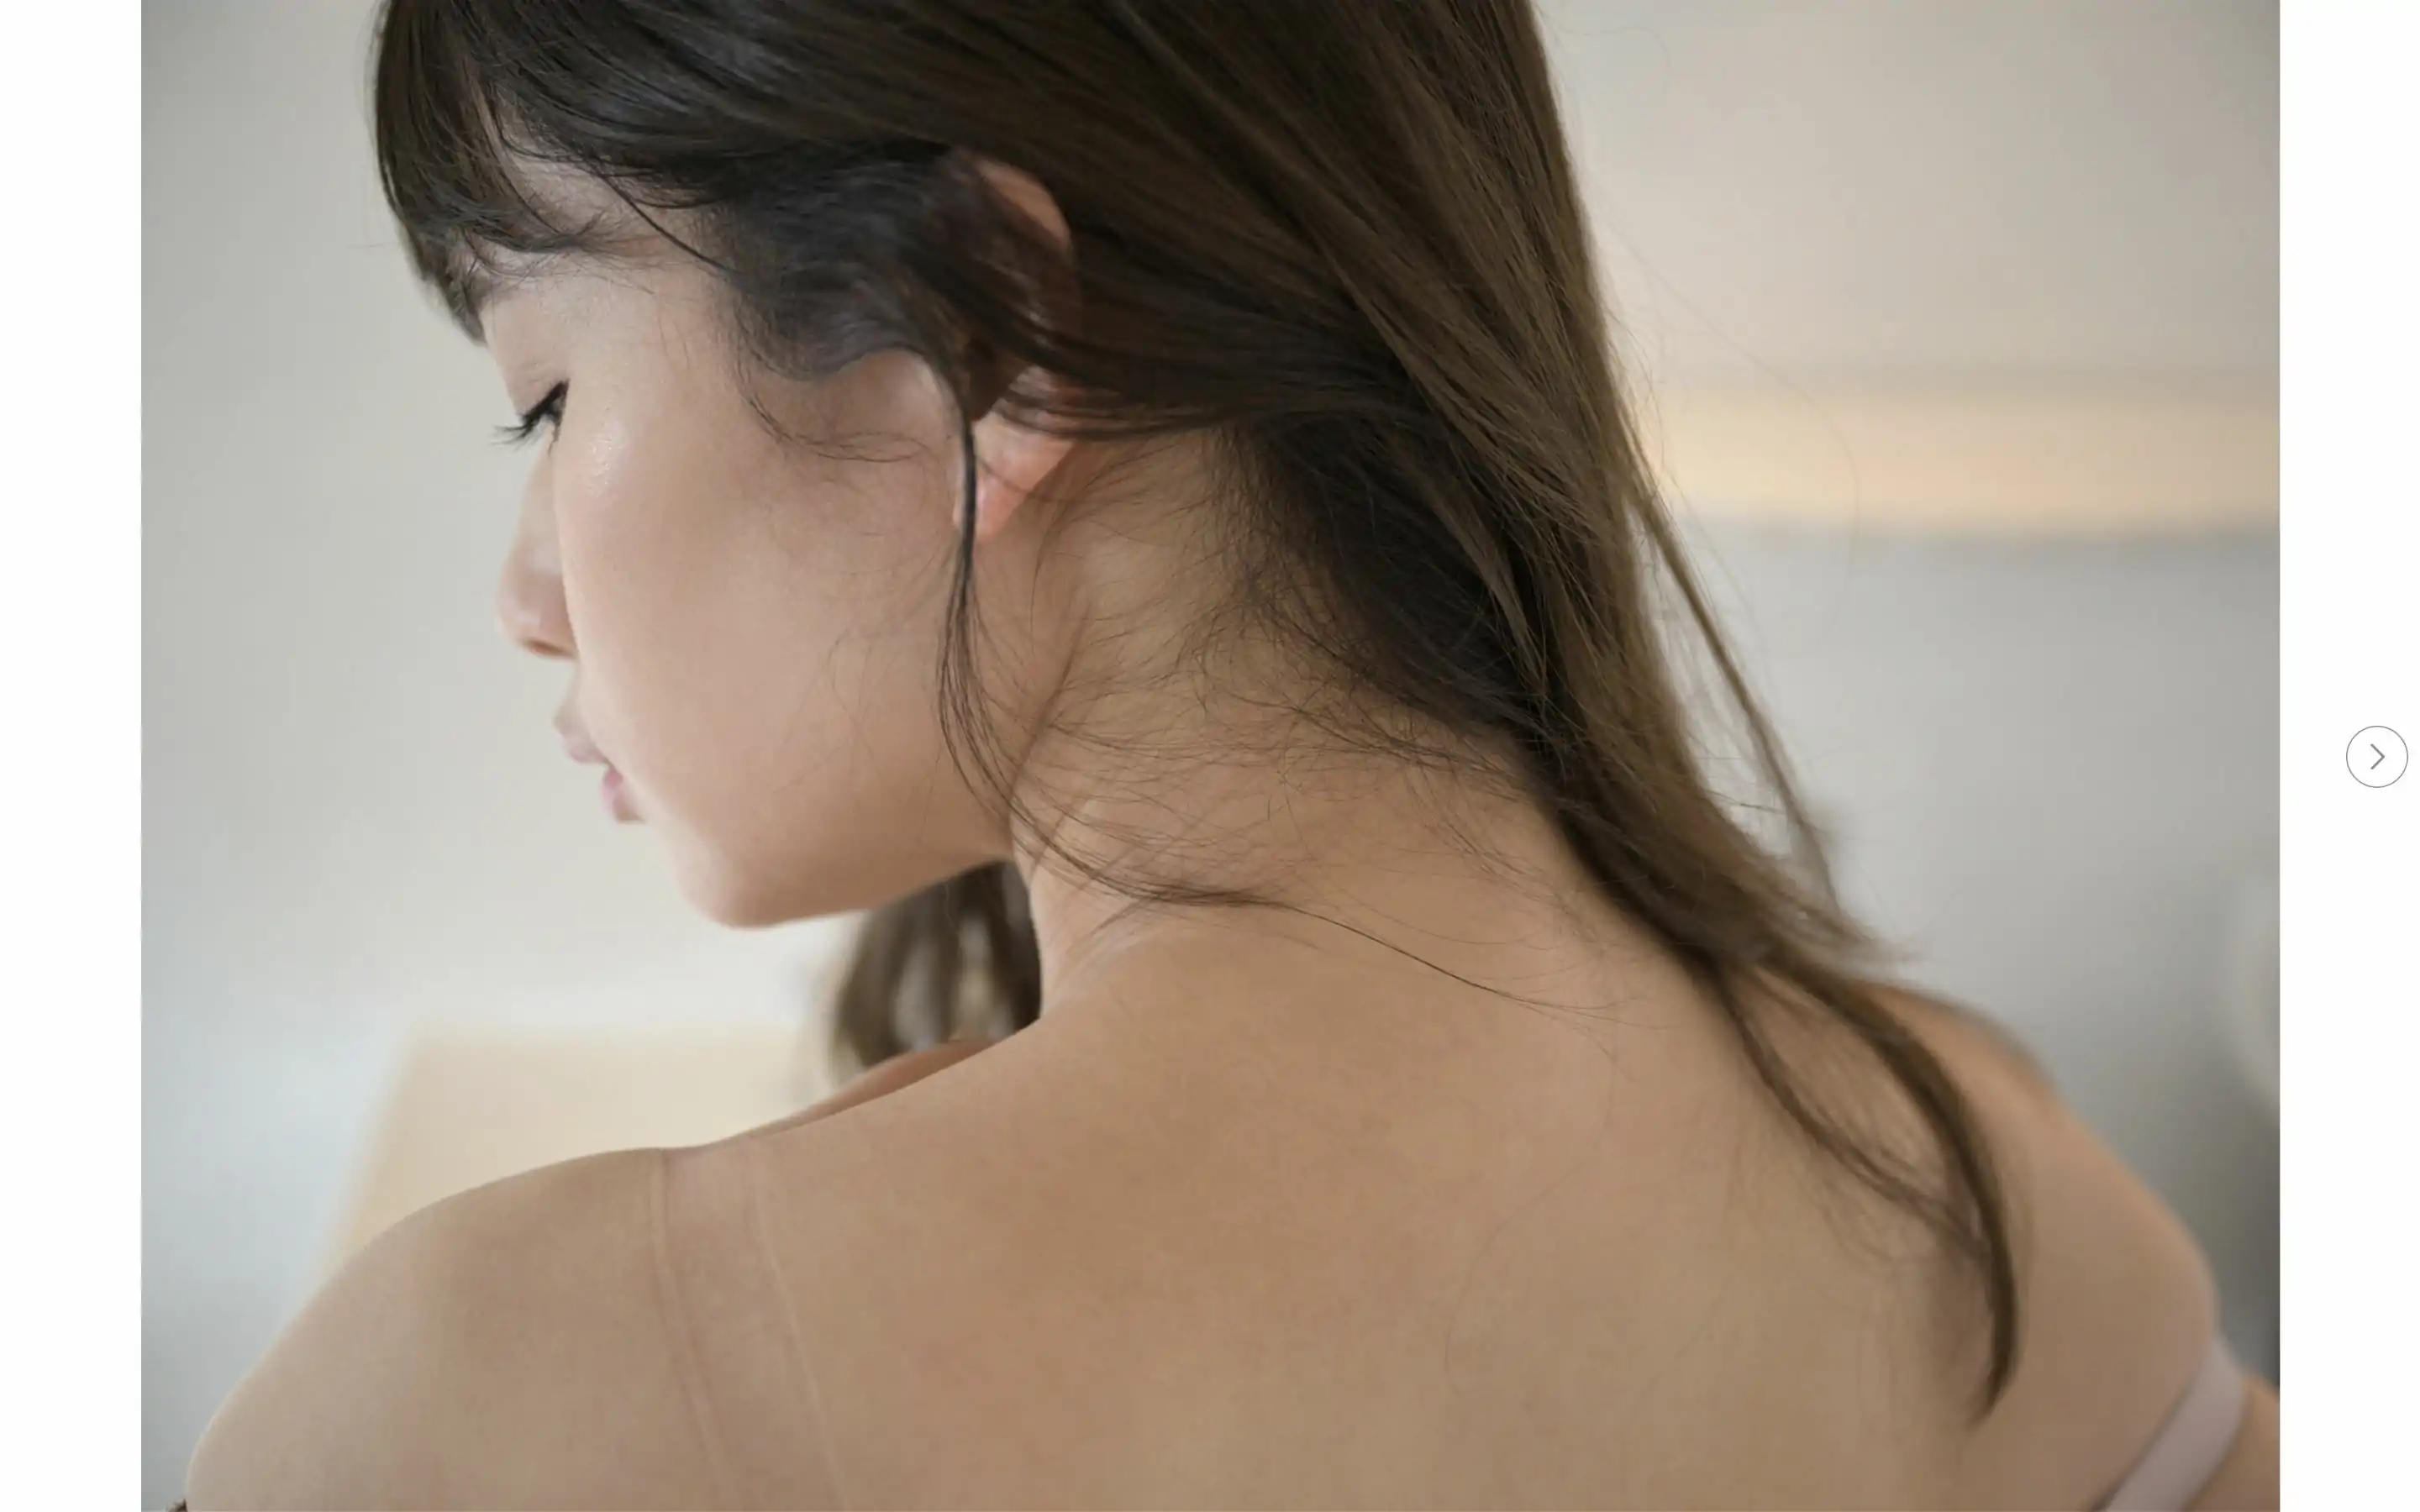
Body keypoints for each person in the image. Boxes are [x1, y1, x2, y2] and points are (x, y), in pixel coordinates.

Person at [182, 0, 2279, 1506]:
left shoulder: (514, 1400)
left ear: (981, 341)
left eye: (546, 398)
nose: (525, 594)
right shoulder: (1999, 1193)